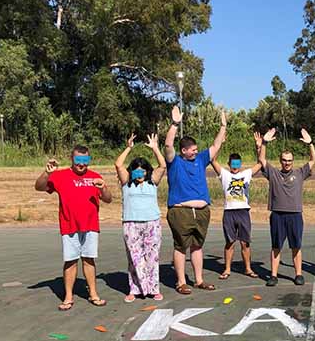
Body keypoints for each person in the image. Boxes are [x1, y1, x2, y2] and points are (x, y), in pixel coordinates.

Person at [34, 145, 113, 310]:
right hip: (69, 225)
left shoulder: (95, 176)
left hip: (90, 225)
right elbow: (39, 187)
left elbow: (108, 199)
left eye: (85, 160)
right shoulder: (60, 175)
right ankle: (68, 297)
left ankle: (93, 294)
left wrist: (103, 188)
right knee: (70, 261)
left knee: (89, 259)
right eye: (78, 160)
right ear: (72, 159)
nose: (81, 164)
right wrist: (47, 173)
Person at [164, 106, 227, 294]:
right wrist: (175, 124)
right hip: (181, 211)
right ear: (183, 150)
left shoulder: (200, 159)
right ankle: (181, 282)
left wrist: (223, 126)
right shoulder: (174, 162)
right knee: (181, 246)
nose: (195, 152)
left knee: (197, 246)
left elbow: (216, 146)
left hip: (202, 211)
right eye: (192, 150)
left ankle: (199, 280)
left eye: (196, 149)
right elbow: (168, 146)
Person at [257, 126, 315, 286]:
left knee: (296, 246)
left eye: (290, 160)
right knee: (276, 246)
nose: (287, 163)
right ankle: (273, 275)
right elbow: (262, 160)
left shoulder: (300, 173)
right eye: (284, 160)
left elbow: (314, 160)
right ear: (280, 161)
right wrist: (264, 143)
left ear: (293, 161)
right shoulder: (273, 173)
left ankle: (298, 274)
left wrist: (310, 143)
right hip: (277, 215)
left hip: (295, 215)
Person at [114, 131, 166, 302]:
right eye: (136, 171)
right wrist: (128, 148)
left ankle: (153, 288)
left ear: (147, 171)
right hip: (131, 223)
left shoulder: (152, 182)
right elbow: (118, 164)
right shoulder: (126, 182)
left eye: (142, 171)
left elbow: (162, 165)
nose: (139, 174)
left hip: (152, 223)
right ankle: (135, 289)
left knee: (152, 256)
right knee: (134, 257)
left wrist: (155, 148)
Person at [210, 131, 264, 280]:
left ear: (240, 165)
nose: (235, 167)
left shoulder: (246, 174)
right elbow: (213, 159)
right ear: (229, 164)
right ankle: (227, 269)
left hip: (243, 212)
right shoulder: (224, 174)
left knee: (245, 243)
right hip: (229, 212)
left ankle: (248, 268)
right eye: (232, 164)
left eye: (237, 164)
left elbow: (260, 163)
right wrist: (221, 143)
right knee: (230, 242)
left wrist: (258, 147)